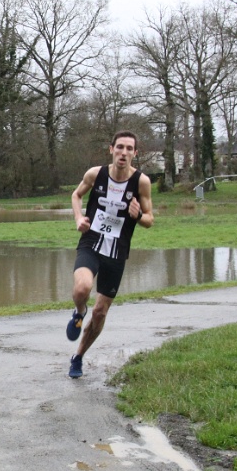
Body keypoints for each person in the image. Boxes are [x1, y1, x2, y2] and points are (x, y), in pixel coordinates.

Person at [65, 130, 153, 378]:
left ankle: (78, 357)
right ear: (111, 149)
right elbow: (76, 195)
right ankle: (79, 312)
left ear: (135, 153)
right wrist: (78, 218)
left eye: (129, 149)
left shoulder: (141, 182)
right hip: (91, 242)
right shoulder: (96, 174)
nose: (124, 153)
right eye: (120, 147)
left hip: (117, 251)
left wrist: (138, 215)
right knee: (82, 288)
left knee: (101, 312)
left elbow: (150, 219)